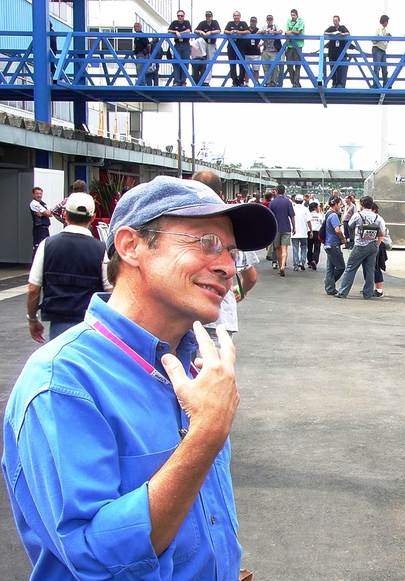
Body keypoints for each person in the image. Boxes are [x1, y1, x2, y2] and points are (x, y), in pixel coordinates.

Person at [2, 176, 277, 579]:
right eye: (207, 243)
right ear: (131, 246)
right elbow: (95, 561)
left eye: (231, 252)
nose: (227, 266)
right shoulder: (63, 382)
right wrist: (205, 436)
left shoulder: (192, 368)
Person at [26, 192, 112, 342]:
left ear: (65, 214)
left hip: (58, 323)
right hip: (90, 324)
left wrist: (32, 319)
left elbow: (33, 288)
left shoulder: (46, 245)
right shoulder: (101, 249)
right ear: (92, 218)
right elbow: (110, 291)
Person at [193, 170, 261, 347]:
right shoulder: (232, 227)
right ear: (220, 194)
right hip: (219, 319)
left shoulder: (178, 224)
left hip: (182, 319)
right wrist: (241, 291)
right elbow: (251, 277)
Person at [335, 196, 386, 299]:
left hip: (360, 245)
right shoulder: (378, 217)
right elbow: (382, 233)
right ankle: (368, 293)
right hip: (373, 245)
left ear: (361, 205)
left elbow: (350, 224)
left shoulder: (358, 215)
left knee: (350, 268)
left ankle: (343, 292)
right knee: (370, 270)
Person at [268, 184, 295, 276]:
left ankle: (280, 267)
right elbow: (292, 216)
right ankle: (283, 265)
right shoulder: (288, 202)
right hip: (286, 227)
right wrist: (294, 227)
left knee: (278, 248)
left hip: (276, 228)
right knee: (284, 248)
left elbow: (269, 216)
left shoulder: (272, 203)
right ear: (284, 192)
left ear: (276, 191)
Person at [323, 196, 347, 295]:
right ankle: (329, 283)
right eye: (340, 204)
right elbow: (337, 230)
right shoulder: (333, 216)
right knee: (341, 267)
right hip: (334, 244)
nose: (340, 206)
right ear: (336, 204)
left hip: (328, 244)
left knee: (330, 268)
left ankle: (330, 288)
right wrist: (342, 238)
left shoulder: (327, 214)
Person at [194, 10, 221, 86]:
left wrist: (210, 32)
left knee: (210, 63)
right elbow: (195, 30)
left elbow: (218, 30)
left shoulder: (215, 22)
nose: (208, 18)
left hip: (212, 44)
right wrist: (200, 32)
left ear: (212, 17)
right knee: (200, 40)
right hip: (205, 43)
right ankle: (204, 54)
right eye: (207, 16)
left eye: (209, 16)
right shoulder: (203, 23)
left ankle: (206, 81)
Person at [224, 11, 249, 87]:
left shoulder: (243, 23)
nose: (236, 17)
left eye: (237, 15)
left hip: (241, 46)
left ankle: (241, 81)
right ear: (233, 16)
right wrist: (230, 32)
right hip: (231, 46)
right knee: (232, 64)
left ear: (240, 16)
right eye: (235, 15)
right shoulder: (230, 23)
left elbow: (248, 31)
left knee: (242, 64)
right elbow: (225, 31)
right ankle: (234, 81)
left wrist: (240, 32)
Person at [168, 9, 192, 86]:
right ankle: (177, 81)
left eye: (181, 16)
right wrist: (176, 32)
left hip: (185, 45)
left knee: (185, 63)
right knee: (176, 63)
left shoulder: (186, 22)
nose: (180, 17)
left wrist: (180, 33)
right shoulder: (174, 23)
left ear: (184, 16)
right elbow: (169, 30)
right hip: (177, 45)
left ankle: (183, 81)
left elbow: (188, 30)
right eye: (178, 16)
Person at [325, 15, 350, 88]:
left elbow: (348, 33)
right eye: (334, 21)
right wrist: (331, 34)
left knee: (339, 68)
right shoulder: (331, 28)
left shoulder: (342, 27)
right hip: (332, 52)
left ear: (339, 21)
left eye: (336, 21)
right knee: (332, 68)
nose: (335, 22)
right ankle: (334, 83)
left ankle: (339, 83)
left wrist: (341, 34)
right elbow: (325, 33)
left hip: (340, 52)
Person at [260, 15, 283, 87]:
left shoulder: (276, 26)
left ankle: (274, 82)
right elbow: (257, 33)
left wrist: (273, 32)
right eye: (268, 20)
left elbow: (280, 32)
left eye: (271, 20)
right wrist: (263, 32)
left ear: (273, 20)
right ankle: (267, 82)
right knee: (265, 67)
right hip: (266, 50)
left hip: (274, 50)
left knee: (275, 67)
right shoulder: (263, 27)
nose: (269, 21)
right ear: (266, 20)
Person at [285, 9, 305, 88]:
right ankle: (294, 81)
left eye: (294, 15)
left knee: (297, 65)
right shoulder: (288, 21)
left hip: (298, 45)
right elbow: (286, 32)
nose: (293, 17)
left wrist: (291, 32)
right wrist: (288, 32)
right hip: (290, 45)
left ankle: (296, 83)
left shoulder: (300, 21)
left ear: (297, 15)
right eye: (292, 15)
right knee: (289, 65)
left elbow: (299, 32)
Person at [291, 194, 311, 271]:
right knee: (304, 247)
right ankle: (302, 262)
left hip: (294, 232)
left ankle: (296, 265)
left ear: (295, 200)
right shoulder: (305, 209)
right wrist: (311, 230)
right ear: (302, 201)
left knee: (295, 249)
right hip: (304, 232)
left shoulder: (292, 208)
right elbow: (308, 221)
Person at [29, 186, 52, 254]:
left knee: (46, 247)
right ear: (33, 195)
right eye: (37, 193)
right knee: (38, 248)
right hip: (39, 229)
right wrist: (45, 213)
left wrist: (42, 214)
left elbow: (50, 214)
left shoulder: (44, 204)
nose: (39, 195)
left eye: (40, 193)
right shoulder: (34, 203)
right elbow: (48, 213)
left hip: (46, 229)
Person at [371, 15, 391, 88]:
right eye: (387, 22)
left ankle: (386, 84)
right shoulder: (378, 28)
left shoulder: (384, 30)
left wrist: (386, 37)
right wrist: (383, 37)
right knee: (377, 68)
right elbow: (373, 39)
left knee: (384, 68)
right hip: (377, 49)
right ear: (384, 21)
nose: (387, 23)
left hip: (382, 49)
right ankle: (376, 84)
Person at [132, 22, 152, 86]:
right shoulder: (136, 36)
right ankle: (141, 83)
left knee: (139, 68)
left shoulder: (142, 35)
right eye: (134, 26)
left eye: (137, 26)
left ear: (140, 27)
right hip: (138, 54)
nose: (135, 28)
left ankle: (142, 83)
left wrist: (149, 53)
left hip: (142, 54)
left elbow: (148, 45)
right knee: (140, 69)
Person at [244, 17, 262, 86]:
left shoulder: (258, 30)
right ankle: (246, 83)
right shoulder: (246, 30)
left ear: (256, 23)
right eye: (252, 22)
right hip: (247, 52)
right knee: (246, 69)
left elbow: (265, 38)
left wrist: (262, 44)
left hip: (256, 53)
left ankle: (256, 84)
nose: (253, 23)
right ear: (250, 22)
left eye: (254, 22)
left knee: (256, 70)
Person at [307, 201, 323, 269]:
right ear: (315, 208)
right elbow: (322, 223)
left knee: (309, 247)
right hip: (317, 232)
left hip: (309, 232)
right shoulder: (319, 215)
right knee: (317, 247)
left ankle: (309, 261)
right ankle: (314, 260)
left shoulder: (308, 215)